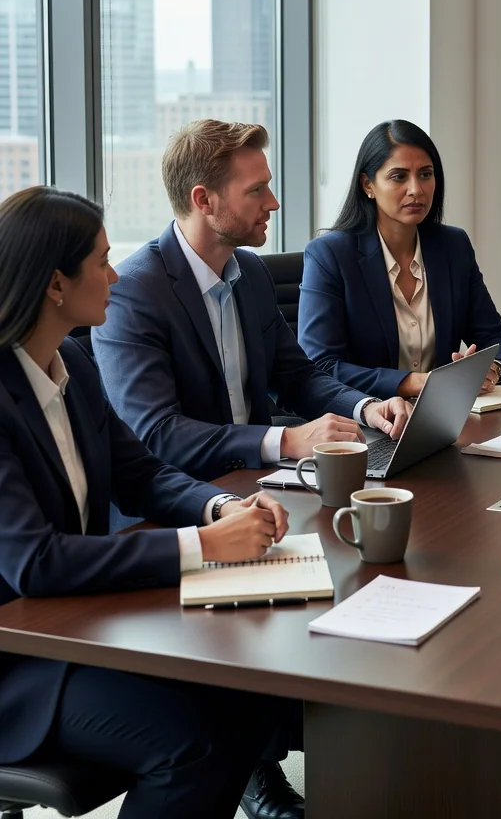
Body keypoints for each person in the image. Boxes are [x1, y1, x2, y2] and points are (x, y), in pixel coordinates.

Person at [0, 187, 299, 819]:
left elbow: (143, 473)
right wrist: (201, 547)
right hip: (19, 660)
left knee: (251, 699)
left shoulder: (71, 363)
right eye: (103, 262)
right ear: (56, 285)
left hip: (79, 626)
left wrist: (218, 510)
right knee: (193, 743)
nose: (116, 275)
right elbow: (34, 562)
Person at [92, 119, 412, 483]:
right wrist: (287, 440)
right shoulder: (133, 293)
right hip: (181, 501)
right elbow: (159, 433)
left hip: (260, 481)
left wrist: (367, 408)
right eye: (257, 189)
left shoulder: (251, 271)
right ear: (203, 200)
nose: (272, 202)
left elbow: (297, 377)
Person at [298, 119, 501, 399]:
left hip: (442, 418)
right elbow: (321, 367)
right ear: (368, 185)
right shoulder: (329, 255)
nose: (416, 189)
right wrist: (416, 382)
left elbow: (498, 339)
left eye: (425, 174)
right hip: (364, 423)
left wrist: (491, 369)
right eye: (399, 176)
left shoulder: (452, 247)